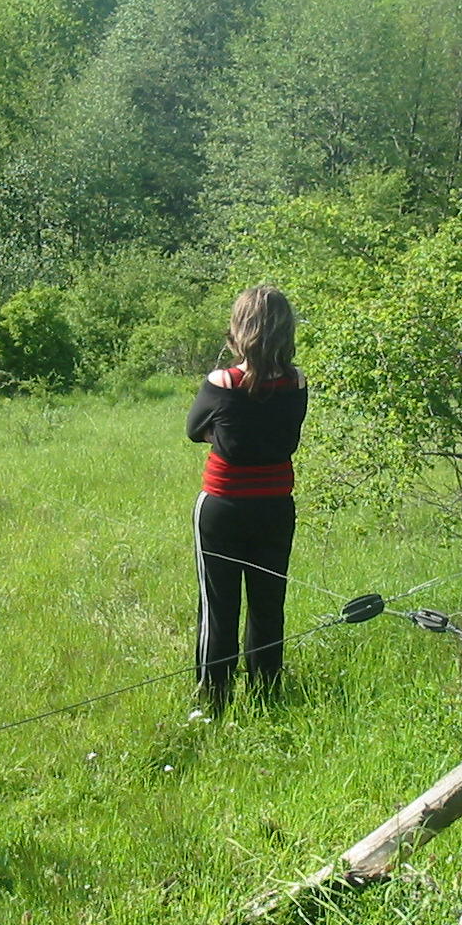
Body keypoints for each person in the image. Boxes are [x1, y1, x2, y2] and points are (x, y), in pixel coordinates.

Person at [186, 285, 308, 709]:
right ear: (285, 330)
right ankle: (266, 694)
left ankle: (213, 700)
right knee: (268, 605)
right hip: (276, 505)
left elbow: (193, 429)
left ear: (240, 328)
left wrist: (223, 434)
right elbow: (280, 436)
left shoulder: (222, 381)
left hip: (223, 504)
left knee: (219, 608)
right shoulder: (297, 381)